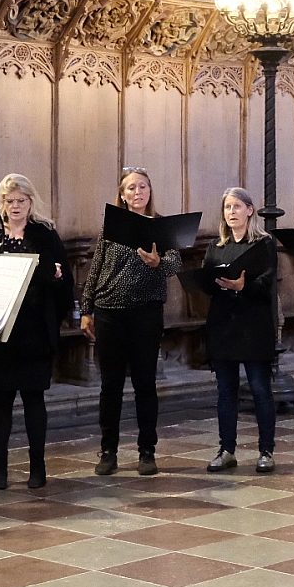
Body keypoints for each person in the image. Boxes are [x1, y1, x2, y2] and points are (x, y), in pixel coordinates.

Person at [0, 174, 71, 491]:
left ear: (30, 202)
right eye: (9, 201)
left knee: (33, 400)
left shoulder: (44, 234)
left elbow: (63, 282)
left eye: (21, 201)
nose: (15, 207)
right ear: (1, 203)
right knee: (0, 401)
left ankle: (37, 467)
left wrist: (52, 276)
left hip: (34, 329)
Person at [80, 167, 181, 476]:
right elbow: (96, 268)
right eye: (132, 188)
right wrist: (86, 309)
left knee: (145, 383)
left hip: (146, 313)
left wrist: (158, 262)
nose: (138, 192)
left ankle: (146, 450)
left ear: (150, 192)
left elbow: (175, 263)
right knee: (110, 385)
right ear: (122, 195)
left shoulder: (162, 226)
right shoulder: (112, 227)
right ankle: (108, 450)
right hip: (109, 310)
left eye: (143, 187)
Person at [199, 187, 277, 474]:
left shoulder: (263, 244)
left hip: (254, 325)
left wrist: (245, 286)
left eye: (236, 207)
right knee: (225, 391)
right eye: (227, 208)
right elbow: (207, 282)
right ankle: (226, 449)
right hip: (223, 325)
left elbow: (268, 282)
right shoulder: (216, 247)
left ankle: (266, 451)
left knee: (259, 389)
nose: (231, 212)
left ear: (250, 210)